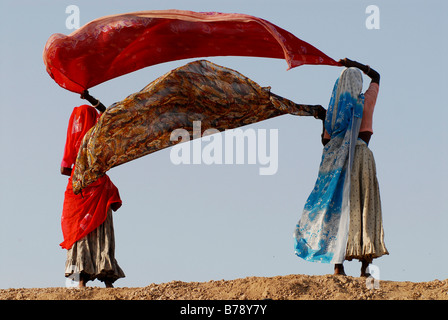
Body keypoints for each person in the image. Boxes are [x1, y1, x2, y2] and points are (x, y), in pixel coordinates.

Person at [294, 58, 388, 277]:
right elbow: (377, 77)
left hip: (340, 165)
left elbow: (327, 144)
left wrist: (322, 119)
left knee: (341, 209)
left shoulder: (334, 114)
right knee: (364, 208)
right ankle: (365, 268)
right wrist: (357, 64)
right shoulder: (366, 102)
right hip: (361, 159)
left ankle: (338, 266)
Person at [60, 103, 124, 288]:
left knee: (79, 232)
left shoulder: (75, 141)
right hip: (99, 190)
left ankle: (80, 280)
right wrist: (92, 99)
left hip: (79, 191)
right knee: (101, 230)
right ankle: (107, 280)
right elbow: (110, 117)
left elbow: (64, 169)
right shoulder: (99, 137)